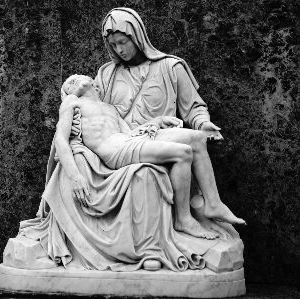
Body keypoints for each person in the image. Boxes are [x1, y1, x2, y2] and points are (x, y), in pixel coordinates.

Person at [18, 7, 242, 273]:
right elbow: (72, 129)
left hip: (143, 135)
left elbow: (193, 107)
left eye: (123, 42)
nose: (120, 50)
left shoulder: (171, 67)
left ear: (137, 36)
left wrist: (202, 123)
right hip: (121, 145)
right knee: (157, 166)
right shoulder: (105, 74)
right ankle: (162, 236)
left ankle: (211, 204)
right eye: (113, 45)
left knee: (195, 139)